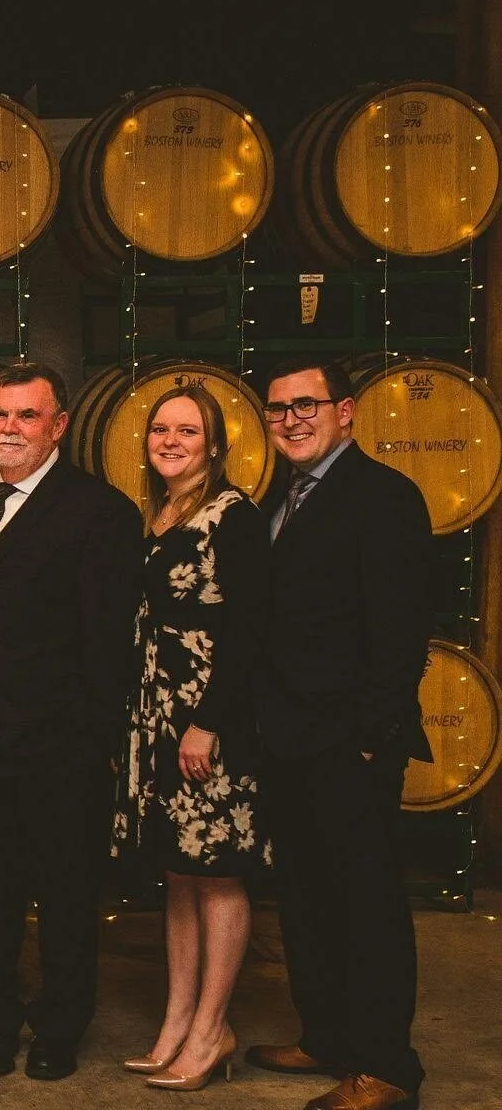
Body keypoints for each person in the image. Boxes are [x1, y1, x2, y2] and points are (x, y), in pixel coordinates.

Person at [0, 361, 141, 1082]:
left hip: (57, 747)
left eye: (27, 415)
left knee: (64, 899)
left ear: (59, 426)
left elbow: (106, 642)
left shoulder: (99, 512)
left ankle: (58, 1027)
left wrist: (91, 742)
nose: (10, 428)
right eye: (0, 414)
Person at [245, 358, 434, 1110]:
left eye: (306, 405)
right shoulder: (283, 495)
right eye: (277, 409)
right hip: (289, 736)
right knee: (305, 896)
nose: (291, 420)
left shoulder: (384, 496)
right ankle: (325, 1036)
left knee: (366, 905)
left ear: (345, 411)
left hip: (348, 744)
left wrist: (370, 736)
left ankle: (387, 1068)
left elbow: (400, 629)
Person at [112, 385, 269, 1091]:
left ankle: (212, 1031)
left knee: (218, 871)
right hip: (158, 713)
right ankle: (177, 1022)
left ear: (213, 445)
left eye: (186, 430)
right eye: (159, 429)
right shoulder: (158, 512)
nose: (169, 441)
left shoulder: (232, 516)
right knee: (179, 873)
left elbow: (249, 631)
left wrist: (208, 723)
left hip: (208, 717)